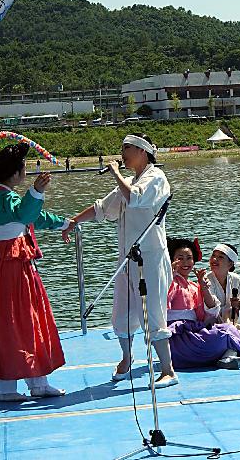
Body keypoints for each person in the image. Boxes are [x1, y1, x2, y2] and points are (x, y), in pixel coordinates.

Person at [70, 133, 178, 387]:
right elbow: (101, 208)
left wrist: (115, 173)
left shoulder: (156, 178)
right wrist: (74, 221)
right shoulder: (128, 182)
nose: (123, 152)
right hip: (127, 258)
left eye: (127, 148)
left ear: (143, 151)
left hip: (150, 258)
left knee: (152, 313)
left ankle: (168, 369)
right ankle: (126, 358)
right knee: (123, 311)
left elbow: (136, 197)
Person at [0, 142, 75, 402]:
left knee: (9, 323)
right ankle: (35, 384)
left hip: (6, 271)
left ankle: (11, 387)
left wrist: (66, 222)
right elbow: (27, 213)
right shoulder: (8, 199)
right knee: (26, 320)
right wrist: (36, 191)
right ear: (17, 172)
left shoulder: (0, 198)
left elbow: (34, 217)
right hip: (15, 272)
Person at [166, 238, 240, 370]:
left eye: (189, 258)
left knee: (234, 327)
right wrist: (169, 275)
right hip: (179, 337)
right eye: (180, 258)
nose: (185, 262)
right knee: (228, 332)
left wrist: (203, 288)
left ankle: (228, 352)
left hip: (194, 331)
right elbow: (163, 300)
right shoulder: (170, 282)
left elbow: (207, 315)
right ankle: (231, 352)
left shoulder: (194, 285)